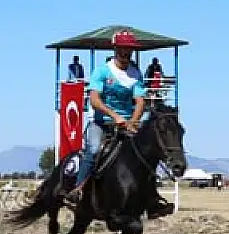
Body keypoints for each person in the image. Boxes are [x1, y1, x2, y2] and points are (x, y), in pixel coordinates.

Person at [61, 30, 173, 219]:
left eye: (129, 49)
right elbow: (94, 100)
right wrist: (114, 116)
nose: (126, 52)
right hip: (102, 123)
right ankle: (77, 190)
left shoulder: (135, 72)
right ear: (115, 49)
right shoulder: (103, 71)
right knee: (94, 149)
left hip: (128, 123)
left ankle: (152, 200)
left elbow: (139, 101)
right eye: (122, 48)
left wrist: (133, 121)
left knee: (147, 150)